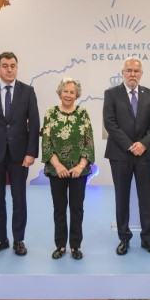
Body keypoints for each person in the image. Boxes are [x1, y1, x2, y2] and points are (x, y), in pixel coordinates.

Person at [0, 51, 40, 257]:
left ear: (17, 67)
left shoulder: (28, 91)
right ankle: (0, 239)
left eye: (13, 65)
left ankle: (18, 240)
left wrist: (31, 152)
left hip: (20, 156)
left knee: (19, 199)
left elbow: (35, 123)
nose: (9, 69)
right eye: (5, 65)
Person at [103, 57, 150, 255]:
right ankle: (124, 238)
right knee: (122, 197)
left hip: (144, 154)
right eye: (129, 70)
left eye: (136, 71)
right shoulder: (111, 94)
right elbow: (110, 123)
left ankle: (147, 239)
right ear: (123, 73)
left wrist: (142, 144)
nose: (132, 74)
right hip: (120, 154)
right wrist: (130, 145)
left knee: (146, 198)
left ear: (141, 74)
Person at [41, 78, 95, 260]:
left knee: (77, 208)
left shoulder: (83, 113)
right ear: (59, 93)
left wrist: (80, 166)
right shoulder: (50, 113)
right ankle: (60, 245)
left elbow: (89, 142)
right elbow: (46, 142)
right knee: (59, 208)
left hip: (79, 172)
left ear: (77, 95)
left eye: (72, 92)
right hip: (57, 170)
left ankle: (75, 246)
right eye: (65, 91)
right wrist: (57, 165)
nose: (68, 95)